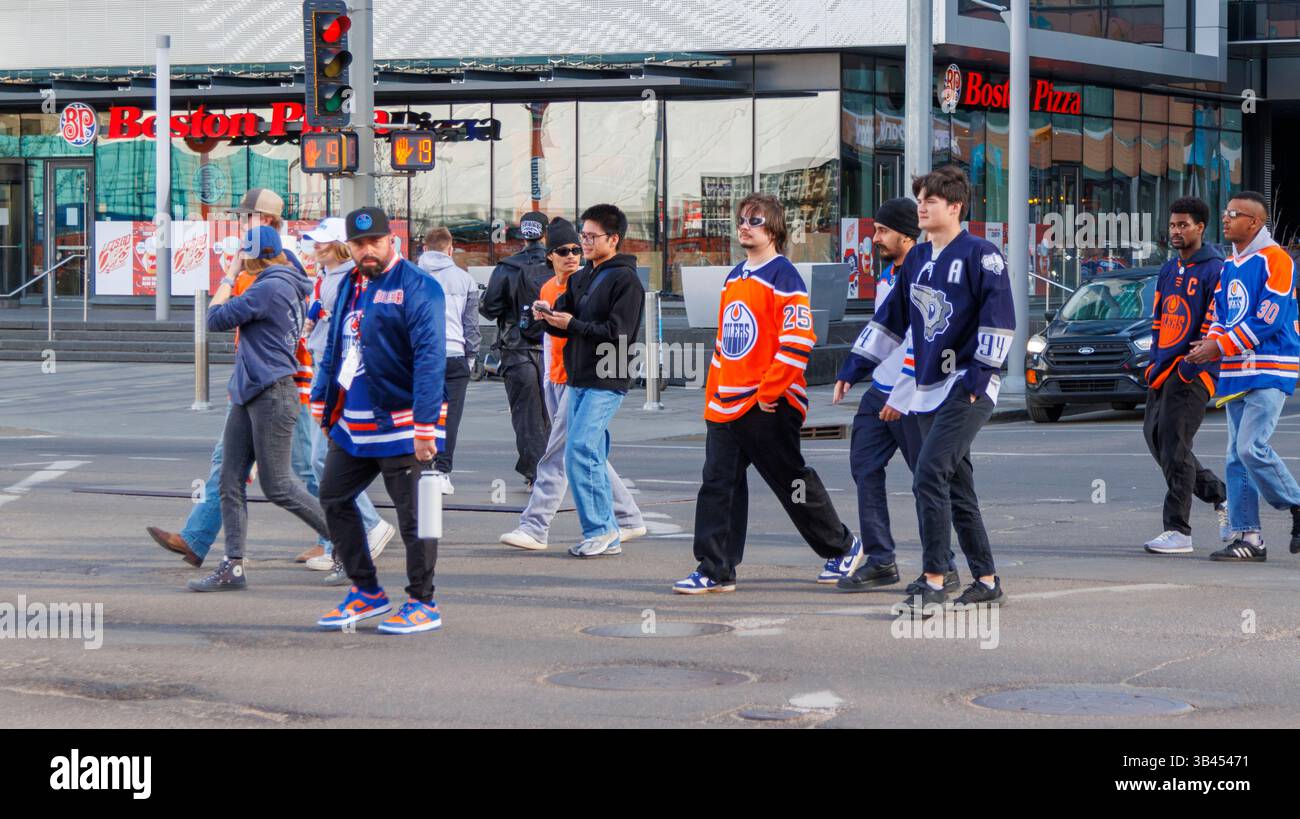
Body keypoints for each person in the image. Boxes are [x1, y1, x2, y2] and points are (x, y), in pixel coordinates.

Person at [670, 193, 864, 594]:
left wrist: (770, 391)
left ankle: (843, 546)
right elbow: (725, 342)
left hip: (768, 402)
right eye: (741, 219)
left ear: (773, 229)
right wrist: (714, 394)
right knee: (718, 484)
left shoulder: (783, 275)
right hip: (727, 403)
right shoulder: (735, 276)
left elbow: (798, 339)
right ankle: (714, 567)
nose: (744, 225)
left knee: (789, 481)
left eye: (754, 220)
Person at [850, 165, 1015, 611]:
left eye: (931, 200)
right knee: (957, 487)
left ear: (955, 207)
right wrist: (855, 363)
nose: (921, 206)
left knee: (929, 473)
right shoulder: (919, 259)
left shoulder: (983, 255)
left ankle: (935, 579)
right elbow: (894, 319)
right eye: (919, 199)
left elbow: (1000, 315)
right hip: (928, 387)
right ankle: (985, 578)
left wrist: (983, 372)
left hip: (968, 384)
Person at [147, 188, 335, 567]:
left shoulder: (271, 271)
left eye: (246, 217)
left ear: (264, 221)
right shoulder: (278, 266)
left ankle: (350, 532)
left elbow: (222, 316)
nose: (239, 223)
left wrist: (230, 278)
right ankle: (202, 544)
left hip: (281, 382)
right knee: (231, 469)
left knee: (293, 475)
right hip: (260, 382)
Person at [313, 207, 448, 635]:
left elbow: (431, 358)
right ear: (349, 246)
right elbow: (336, 344)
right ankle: (367, 590)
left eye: (375, 242)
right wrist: (323, 398)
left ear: (392, 240)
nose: (367, 250)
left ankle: (423, 601)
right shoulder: (351, 284)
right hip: (353, 421)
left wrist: (426, 425)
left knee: (418, 516)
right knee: (333, 497)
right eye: (358, 243)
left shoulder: (419, 286)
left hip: (405, 420)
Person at [187, 226, 331, 591]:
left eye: (243, 257)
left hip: (271, 392)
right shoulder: (286, 279)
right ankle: (232, 566)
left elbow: (214, 318)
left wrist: (230, 275)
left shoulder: (271, 286)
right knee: (229, 479)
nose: (240, 263)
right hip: (250, 392)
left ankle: (348, 543)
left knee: (278, 485)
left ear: (254, 257)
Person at [832, 197, 958, 593]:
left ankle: (944, 565)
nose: (874, 238)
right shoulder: (889, 274)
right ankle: (881, 559)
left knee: (927, 480)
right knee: (864, 467)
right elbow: (883, 328)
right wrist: (852, 371)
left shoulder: (926, 270)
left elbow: (923, 340)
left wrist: (901, 393)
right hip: (879, 392)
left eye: (883, 231)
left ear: (907, 235)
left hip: (914, 395)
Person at [499, 218, 646, 551]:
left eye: (582, 245)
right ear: (550, 255)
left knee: (568, 451)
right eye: (568, 248)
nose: (575, 253)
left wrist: (571, 324)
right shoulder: (571, 283)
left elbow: (617, 333)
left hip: (602, 377)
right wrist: (548, 320)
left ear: (614, 239)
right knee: (588, 452)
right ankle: (625, 519)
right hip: (566, 376)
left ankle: (542, 526)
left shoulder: (622, 280)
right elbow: (561, 329)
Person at [1186, 190, 1300, 561]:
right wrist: (1209, 344)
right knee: (1237, 456)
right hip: (1235, 372)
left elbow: (1268, 318)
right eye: (1226, 212)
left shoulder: (1276, 260)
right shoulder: (1230, 265)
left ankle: (1296, 504)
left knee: (1252, 447)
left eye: (1234, 214)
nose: (1226, 218)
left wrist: (1218, 347)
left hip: (1271, 366)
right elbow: (1221, 315)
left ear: (1255, 222)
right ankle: (1249, 537)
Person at [300, 217, 395, 581]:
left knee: (323, 461)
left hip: (338, 377)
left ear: (340, 245)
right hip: (332, 374)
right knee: (319, 463)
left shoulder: (342, 280)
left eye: (323, 242)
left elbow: (348, 335)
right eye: (315, 241)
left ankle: (365, 529)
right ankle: (336, 542)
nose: (316, 246)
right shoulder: (330, 279)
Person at [1140, 197, 1229, 555]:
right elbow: (1160, 317)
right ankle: (1220, 494)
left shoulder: (1215, 269)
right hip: (1163, 369)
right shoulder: (1168, 269)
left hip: (1194, 371)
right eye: (1173, 225)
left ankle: (1178, 531)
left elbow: (1213, 321)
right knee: (1157, 441)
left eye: (1183, 225)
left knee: (1176, 447)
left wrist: (1191, 365)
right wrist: (1153, 360)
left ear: (1200, 228)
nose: (1176, 231)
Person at [480, 212, 552, 487]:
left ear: (522, 234)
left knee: (525, 414)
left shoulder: (506, 267)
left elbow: (489, 309)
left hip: (516, 347)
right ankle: (551, 467)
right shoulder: (556, 263)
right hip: (550, 346)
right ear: (544, 234)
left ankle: (535, 470)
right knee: (552, 412)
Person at [417, 226, 482, 490]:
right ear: (450, 249)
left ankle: (421, 469)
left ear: (424, 248)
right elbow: (471, 325)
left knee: (420, 413)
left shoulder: (410, 276)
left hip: (419, 356)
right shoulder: (464, 279)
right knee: (450, 416)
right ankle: (442, 472)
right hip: (454, 354)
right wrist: (471, 355)